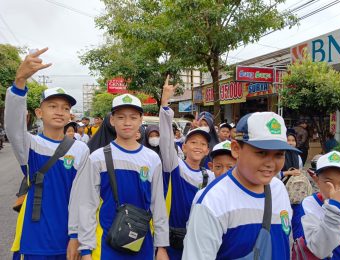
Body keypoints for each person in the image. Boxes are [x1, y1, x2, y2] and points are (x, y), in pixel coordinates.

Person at [5, 48, 90, 260]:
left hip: (69, 241)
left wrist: (78, 237)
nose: (60, 111)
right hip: (35, 241)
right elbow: (14, 127)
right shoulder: (30, 145)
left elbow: (84, 199)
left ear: (70, 114)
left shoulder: (80, 149)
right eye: (52, 106)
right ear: (39, 113)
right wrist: (20, 82)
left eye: (64, 107)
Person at [183, 111, 298, 259]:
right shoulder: (212, 201)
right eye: (261, 153)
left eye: (279, 155)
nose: (270, 163)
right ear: (236, 149)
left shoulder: (278, 189)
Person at [70, 93, 169, 260]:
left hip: (142, 245)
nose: (127, 122)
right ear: (112, 120)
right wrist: (86, 249)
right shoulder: (97, 158)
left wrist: (161, 247)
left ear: (140, 120)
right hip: (105, 246)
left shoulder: (152, 159)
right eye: (121, 117)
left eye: (133, 117)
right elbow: (87, 205)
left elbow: (158, 205)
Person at [159, 76, 215, 259]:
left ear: (207, 150)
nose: (198, 146)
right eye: (193, 142)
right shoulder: (175, 167)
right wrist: (165, 102)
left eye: (202, 144)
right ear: (183, 147)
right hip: (173, 242)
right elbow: (166, 140)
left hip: (200, 242)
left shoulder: (210, 176)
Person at [294, 151, 340, 259]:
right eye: (329, 183)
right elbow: (318, 248)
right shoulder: (307, 205)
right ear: (317, 180)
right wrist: (336, 208)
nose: (335, 191)